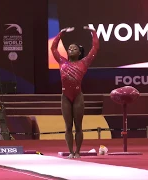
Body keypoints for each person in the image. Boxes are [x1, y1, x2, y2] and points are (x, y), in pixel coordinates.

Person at [51, 26, 99, 158]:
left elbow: (94, 49)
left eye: (74, 48)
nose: (71, 49)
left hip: (78, 96)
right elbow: (53, 48)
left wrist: (93, 32)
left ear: (79, 52)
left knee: (78, 126)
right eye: (69, 48)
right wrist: (61, 33)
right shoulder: (62, 61)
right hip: (65, 97)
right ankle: (70, 152)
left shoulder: (84, 62)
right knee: (68, 126)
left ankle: (77, 151)